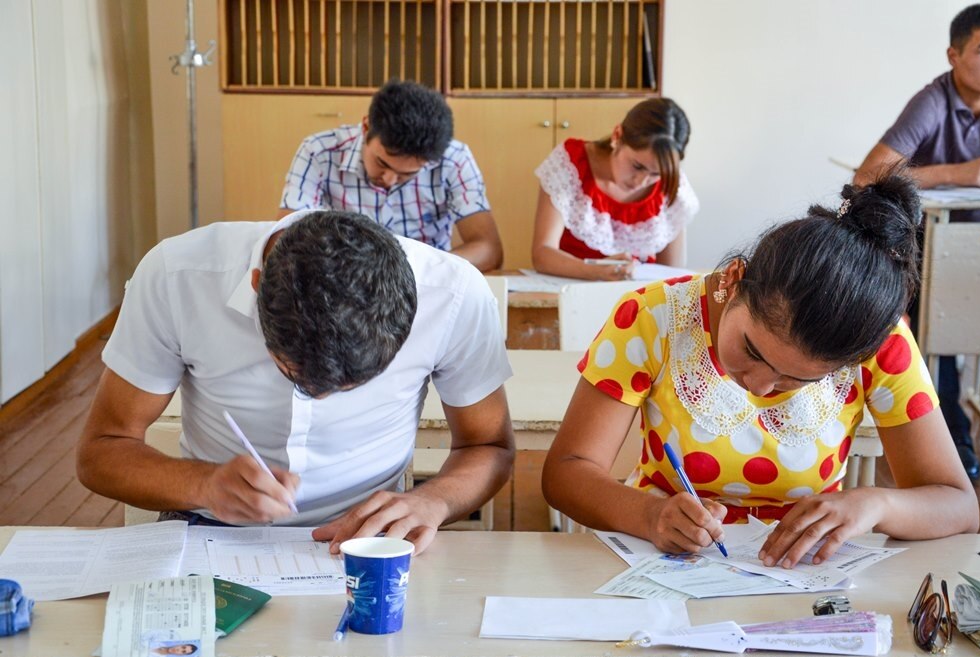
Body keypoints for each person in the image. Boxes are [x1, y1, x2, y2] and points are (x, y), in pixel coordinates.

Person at [542, 174, 979, 566]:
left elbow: (959, 506)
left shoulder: (881, 343)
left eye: (799, 380)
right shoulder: (652, 316)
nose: (760, 386)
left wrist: (877, 505)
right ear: (734, 279)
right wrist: (649, 515)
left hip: (802, 576)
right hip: (663, 560)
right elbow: (565, 472)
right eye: (751, 350)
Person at [77, 210, 515, 555]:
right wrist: (203, 485)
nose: (322, 397)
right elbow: (102, 450)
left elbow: (488, 446)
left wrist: (433, 500)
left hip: (373, 538)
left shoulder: (453, 294)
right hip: (210, 526)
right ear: (257, 286)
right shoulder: (178, 276)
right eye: (295, 374)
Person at [854, 3, 980, 479]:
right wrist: (957, 172)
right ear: (954, 55)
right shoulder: (932, 99)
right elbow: (868, 174)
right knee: (938, 323)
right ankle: (953, 441)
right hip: (928, 240)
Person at [279, 80, 503, 272]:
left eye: (407, 174)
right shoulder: (318, 152)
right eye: (381, 163)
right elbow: (284, 241)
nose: (389, 180)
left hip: (425, 282)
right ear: (366, 127)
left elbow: (488, 249)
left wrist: (411, 271)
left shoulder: (454, 159)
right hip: (344, 283)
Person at [531, 98, 698, 281]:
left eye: (656, 174)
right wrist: (597, 272)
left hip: (638, 292)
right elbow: (542, 254)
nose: (642, 181)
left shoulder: (672, 184)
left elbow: (671, 274)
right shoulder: (570, 166)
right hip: (572, 287)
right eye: (637, 166)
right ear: (617, 136)